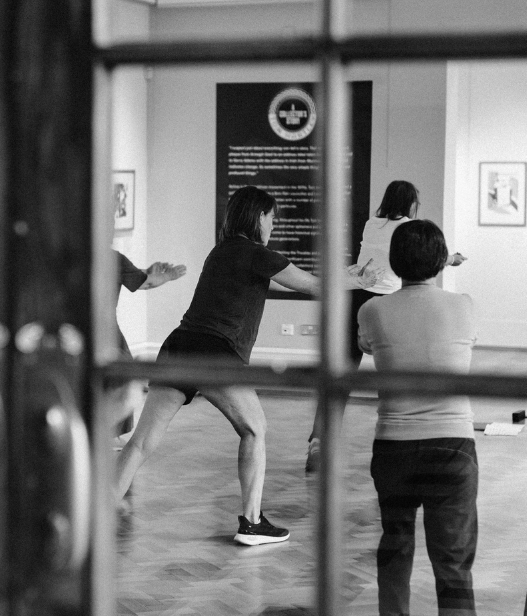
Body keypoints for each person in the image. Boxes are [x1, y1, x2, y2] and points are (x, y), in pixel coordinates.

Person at [114, 185, 378, 546]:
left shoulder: (221, 251)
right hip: (215, 352)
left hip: (179, 346)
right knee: (255, 429)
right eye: (271, 217)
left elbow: (288, 286)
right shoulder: (258, 253)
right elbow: (315, 286)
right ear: (257, 217)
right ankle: (251, 522)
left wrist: (346, 277)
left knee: (141, 443)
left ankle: (101, 510)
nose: (273, 225)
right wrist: (355, 279)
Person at [358, 219, 478, 616]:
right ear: (442, 261)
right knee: (454, 562)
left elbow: (369, 345)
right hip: (453, 447)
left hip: (394, 446)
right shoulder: (464, 305)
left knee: (395, 544)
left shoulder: (372, 309)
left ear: (394, 262)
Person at [305, 180, 467, 472]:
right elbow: (424, 256)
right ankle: (396, 442)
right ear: (410, 203)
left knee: (340, 378)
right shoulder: (406, 227)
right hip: (388, 304)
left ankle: (318, 443)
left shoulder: (371, 224)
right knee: (390, 378)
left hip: (355, 299)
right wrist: (453, 258)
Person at [108, 250, 186, 433]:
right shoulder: (112, 257)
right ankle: (103, 435)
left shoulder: (74, 252)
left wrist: (146, 272)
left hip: (76, 329)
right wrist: (168, 275)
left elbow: (138, 277)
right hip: (105, 329)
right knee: (125, 378)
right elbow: (146, 283)